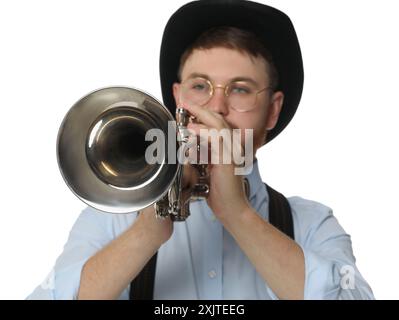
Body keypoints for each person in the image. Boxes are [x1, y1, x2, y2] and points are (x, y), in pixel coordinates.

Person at [27, 0, 374, 300]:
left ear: (272, 109)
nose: (217, 107)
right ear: (177, 99)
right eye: (199, 86)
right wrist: (149, 229)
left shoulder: (310, 222)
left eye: (240, 89)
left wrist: (237, 214)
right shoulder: (113, 220)